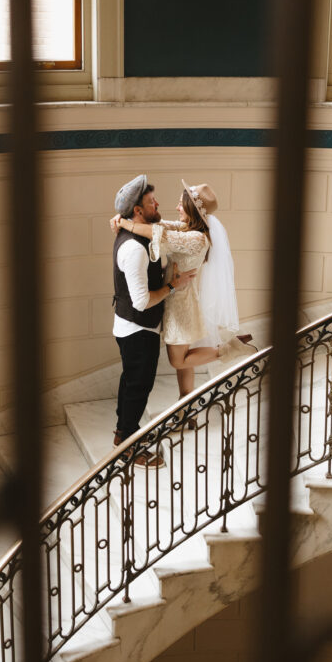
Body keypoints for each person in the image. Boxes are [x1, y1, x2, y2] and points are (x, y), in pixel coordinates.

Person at [111, 181, 247, 415]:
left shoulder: (196, 238)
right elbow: (159, 224)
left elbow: (157, 234)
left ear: (192, 210)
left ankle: (230, 349)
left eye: (181, 205)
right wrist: (127, 219)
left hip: (179, 303)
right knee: (184, 360)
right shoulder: (186, 227)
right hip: (177, 298)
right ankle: (186, 406)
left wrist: (124, 223)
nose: (176, 208)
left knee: (178, 360)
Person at [112, 174, 195, 467]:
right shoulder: (134, 248)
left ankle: (124, 432)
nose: (157, 203)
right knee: (139, 385)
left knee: (130, 382)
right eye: (151, 202)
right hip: (137, 328)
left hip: (135, 327)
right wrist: (174, 286)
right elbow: (142, 301)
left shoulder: (143, 230)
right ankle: (128, 447)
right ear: (137, 210)